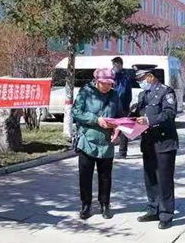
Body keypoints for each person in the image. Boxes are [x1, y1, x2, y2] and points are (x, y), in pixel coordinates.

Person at [132, 64, 179, 230]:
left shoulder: (166, 92)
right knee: (150, 178)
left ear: (150, 77)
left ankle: (166, 214)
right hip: (148, 142)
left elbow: (169, 113)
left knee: (164, 179)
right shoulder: (143, 95)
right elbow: (138, 114)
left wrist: (149, 121)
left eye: (141, 79)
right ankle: (153, 209)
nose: (140, 83)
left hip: (164, 142)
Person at [72, 68, 121, 220]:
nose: (107, 87)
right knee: (85, 176)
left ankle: (105, 204)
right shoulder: (85, 92)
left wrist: (117, 130)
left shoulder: (114, 95)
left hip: (106, 143)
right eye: (104, 83)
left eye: (110, 84)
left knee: (105, 176)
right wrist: (96, 119)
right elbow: (76, 112)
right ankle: (86, 205)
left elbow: (119, 116)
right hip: (87, 141)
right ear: (97, 81)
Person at [111, 57, 133, 159]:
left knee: (123, 129)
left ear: (120, 64)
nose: (113, 67)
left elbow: (121, 92)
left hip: (122, 106)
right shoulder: (114, 75)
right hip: (114, 106)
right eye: (113, 65)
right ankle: (111, 151)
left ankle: (122, 152)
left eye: (115, 65)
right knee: (112, 127)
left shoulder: (124, 76)